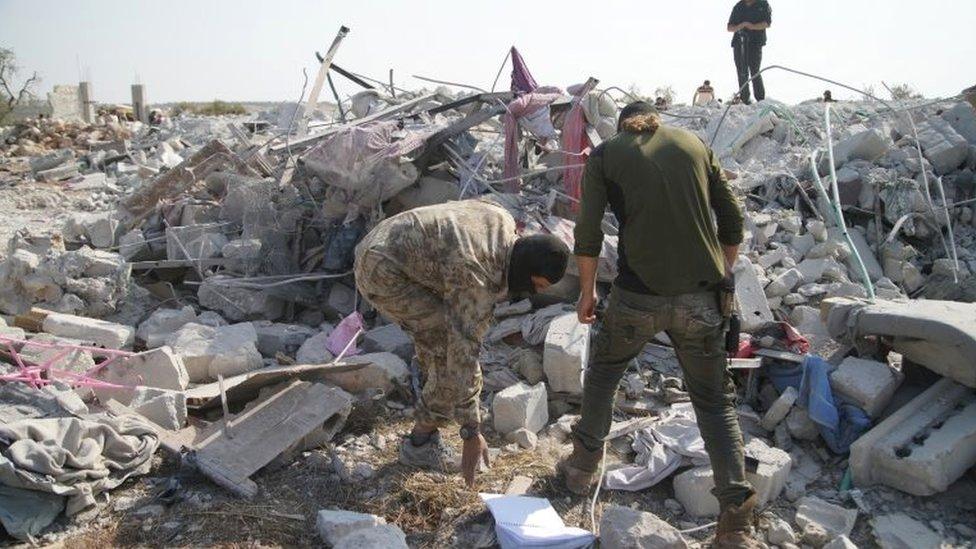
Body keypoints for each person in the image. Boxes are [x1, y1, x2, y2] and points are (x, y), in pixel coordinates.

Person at [557, 102, 761, 548]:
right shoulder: (694, 144)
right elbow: (733, 219)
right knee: (714, 403)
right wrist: (721, 274)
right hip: (702, 300)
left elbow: (587, 230)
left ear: (623, 123)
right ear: (656, 121)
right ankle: (736, 522)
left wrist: (587, 292)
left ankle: (580, 469)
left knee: (605, 375)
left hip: (637, 296)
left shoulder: (607, 154)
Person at [354, 199, 569, 488]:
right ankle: (420, 444)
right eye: (537, 285)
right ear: (526, 269)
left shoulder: (502, 220)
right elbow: (463, 353)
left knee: (439, 341)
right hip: (383, 272)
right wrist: (471, 429)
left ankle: (429, 391)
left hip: (384, 239)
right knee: (447, 356)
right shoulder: (476, 279)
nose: (534, 292)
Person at [727, 0, 772, 105]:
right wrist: (741, 26)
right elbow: (729, 27)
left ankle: (760, 99)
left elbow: (767, 23)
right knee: (741, 72)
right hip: (739, 43)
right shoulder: (738, 6)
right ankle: (745, 99)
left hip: (755, 43)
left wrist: (752, 26)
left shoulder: (763, 4)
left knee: (755, 70)